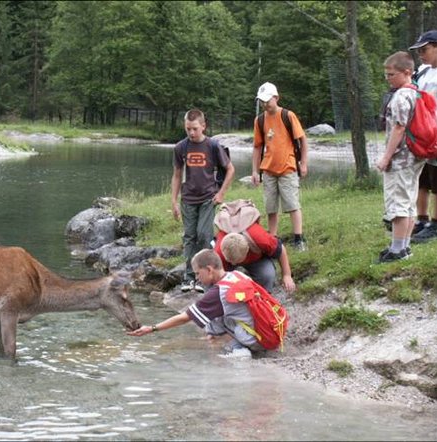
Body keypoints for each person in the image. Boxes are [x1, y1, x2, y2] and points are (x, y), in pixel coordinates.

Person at [127, 249, 264, 358]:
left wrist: (152, 328)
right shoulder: (238, 275)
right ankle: (224, 339)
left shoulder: (219, 292)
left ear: (209, 269)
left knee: (206, 315)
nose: (197, 279)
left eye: (198, 273)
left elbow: (184, 317)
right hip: (261, 329)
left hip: (255, 339)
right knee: (210, 314)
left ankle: (238, 349)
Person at [171, 109, 235, 292]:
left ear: (203, 126)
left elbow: (230, 169)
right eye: (188, 129)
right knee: (189, 236)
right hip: (188, 199)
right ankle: (189, 277)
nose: (191, 133)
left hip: (208, 198)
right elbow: (176, 175)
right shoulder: (180, 147)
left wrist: (221, 193)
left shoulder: (213, 146)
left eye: (195, 129)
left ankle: (204, 277)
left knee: (203, 235)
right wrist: (174, 201)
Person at [376, 51, 427, 263]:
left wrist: (386, 158)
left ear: (406, 73)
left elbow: (398, 128)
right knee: (409, 202)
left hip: (400, 159)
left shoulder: (400, 97)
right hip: (414, 157)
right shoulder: (416, 92)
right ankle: (404, 247)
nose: (388, 79)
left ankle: (397, 250)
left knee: (397, 204)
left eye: (391, 75)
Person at [251, 82, 309, 251]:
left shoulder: (288, 116)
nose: (264, 104)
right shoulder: (260, 120)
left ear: (276, 98)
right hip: (268, 169)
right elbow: (257, 146)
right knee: (270, 206)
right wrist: (255, 171)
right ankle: (273, 238)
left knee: (292, 204)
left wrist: (303, 163)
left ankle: (298, 238)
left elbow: (303, 140)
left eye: (267, 100)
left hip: (288, 167)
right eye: (261, 101)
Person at [409, 30, 437, 243]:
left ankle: (436, 224)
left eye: (425, 49)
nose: (421, 54)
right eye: (418, 51)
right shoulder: (423, 72)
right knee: (422, 178)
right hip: (422, 134)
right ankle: (422, 219)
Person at [214, 230, 296, 295]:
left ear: (247, 250)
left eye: (238, 261)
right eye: (232, 261)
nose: (235, 264)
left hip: (256, 258)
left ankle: (263, 297)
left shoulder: (260, 239)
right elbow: (214, 278)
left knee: (267, 275)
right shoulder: (218, 253)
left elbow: (281, 249)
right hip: (225, 262)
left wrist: (287, 275)